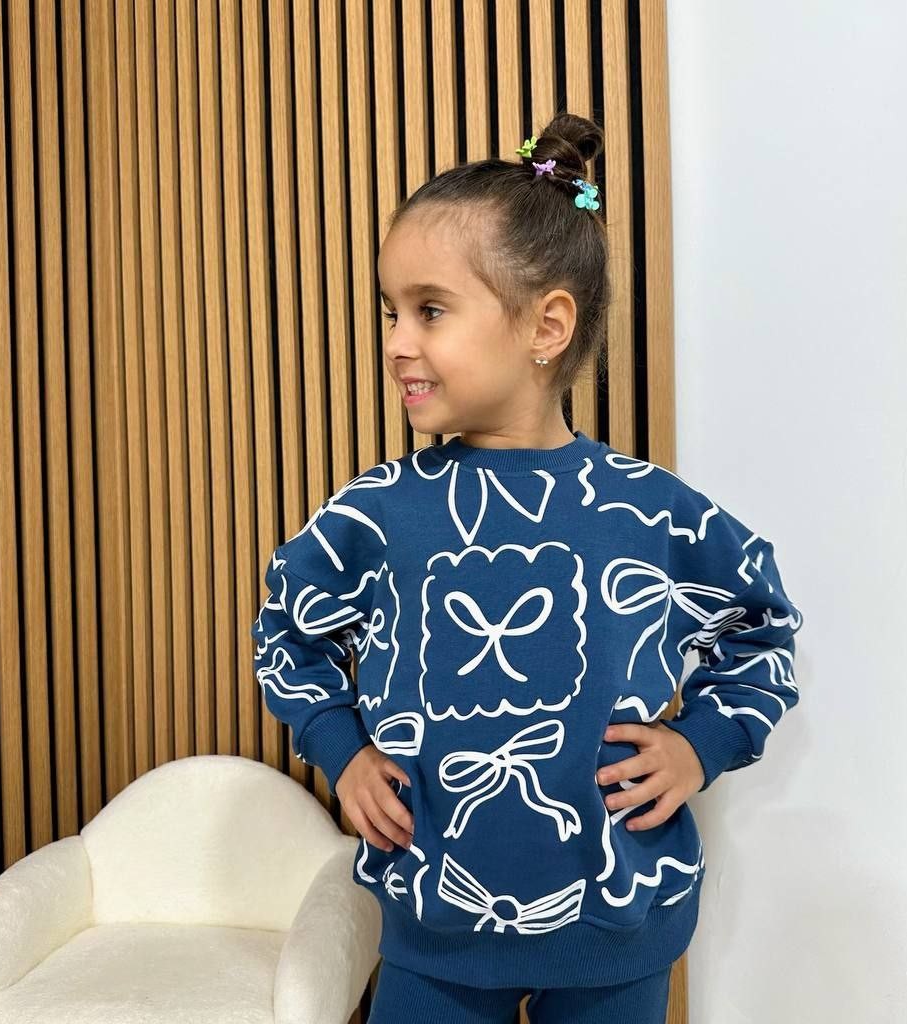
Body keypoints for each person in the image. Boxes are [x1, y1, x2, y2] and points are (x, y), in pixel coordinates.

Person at [250, 111, 805, 1024]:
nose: (396, 340)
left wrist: (699, 746)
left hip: (620, 930)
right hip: (433, 933)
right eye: (390, 312)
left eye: (430, 310)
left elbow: (762, 626)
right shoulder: (376, 512)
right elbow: (287, 629)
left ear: (546, 325)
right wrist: (339, 750)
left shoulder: (649, 511)